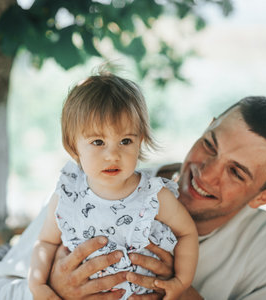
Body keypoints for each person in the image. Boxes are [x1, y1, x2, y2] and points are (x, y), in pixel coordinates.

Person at [0, 95, 266, 300]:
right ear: (206, 127)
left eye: (236, 172)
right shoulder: (100, 184)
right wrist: (54, 289)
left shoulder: (265, 245)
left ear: (264, 196)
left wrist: (181, 293)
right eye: (210, 144)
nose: (205, 173)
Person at [27, 72, 198, 300]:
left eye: (125, 141)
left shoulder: (153, 196)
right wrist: (38, 285)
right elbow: (46, 242)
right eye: (98, 142)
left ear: (141, 141)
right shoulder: (68, 197)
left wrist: (181, 282)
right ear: (73, 147)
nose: (112, 155)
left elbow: (187, 233)